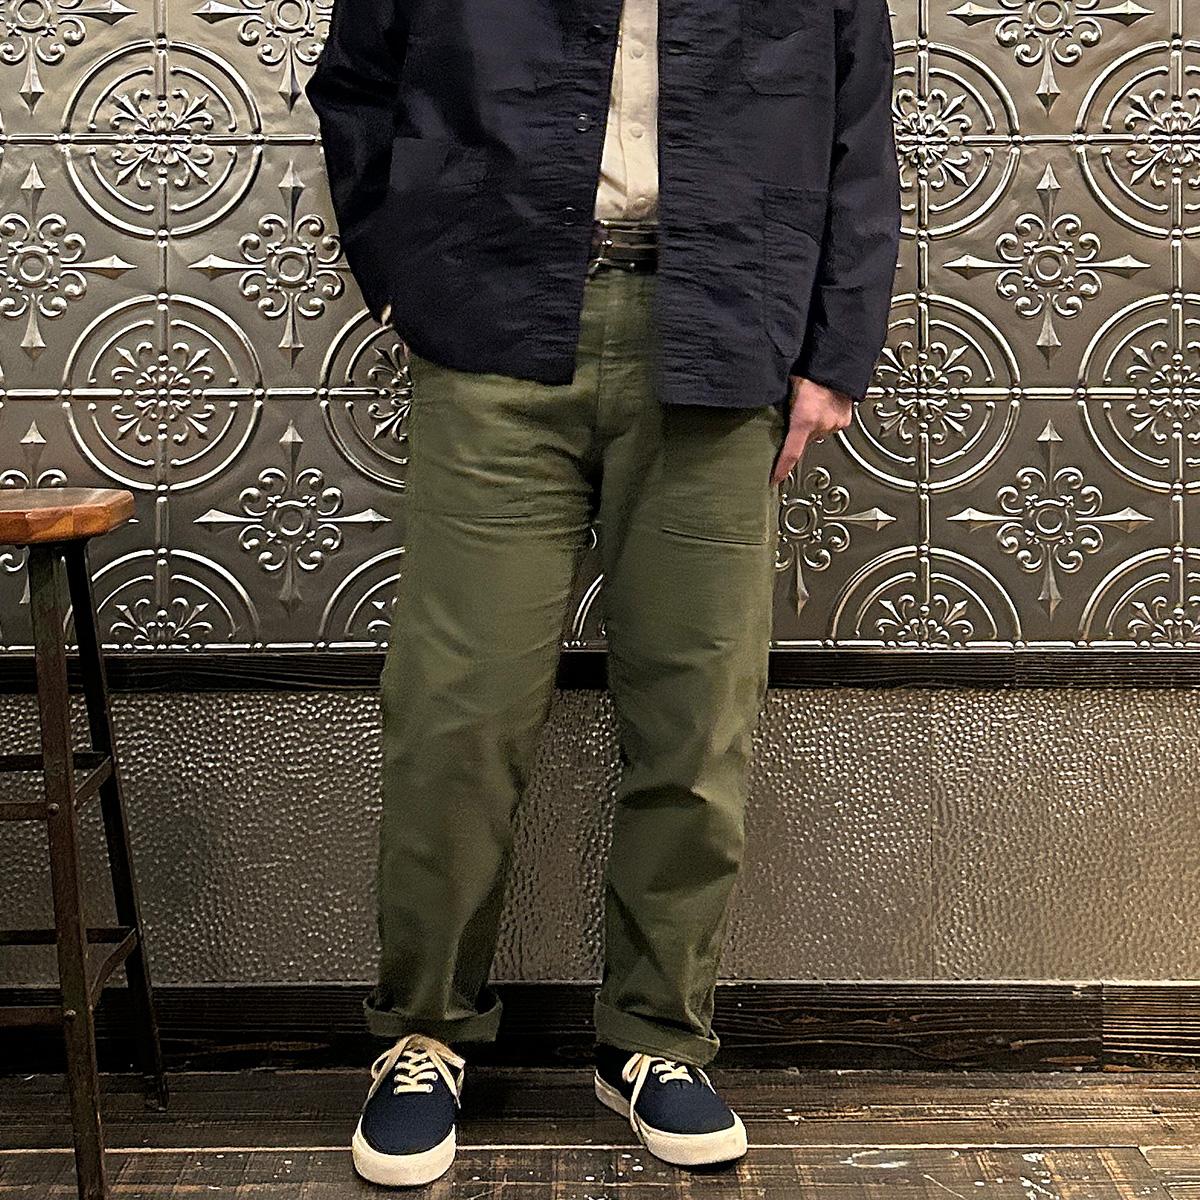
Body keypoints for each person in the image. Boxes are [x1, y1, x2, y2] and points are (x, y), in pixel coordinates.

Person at [306, 0, 900, 1185]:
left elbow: (857, 128)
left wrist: (836, 350)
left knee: (697, 715)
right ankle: (424, 1035)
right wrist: (400, 275)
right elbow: (356, 84)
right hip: (491, 323)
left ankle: (656, 1038)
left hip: (722, 323)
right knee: (456, 712)